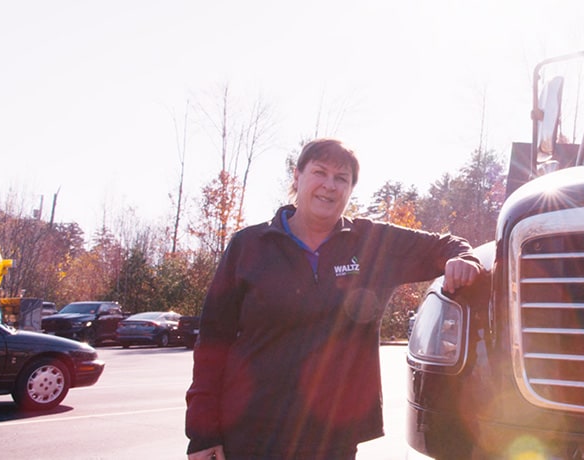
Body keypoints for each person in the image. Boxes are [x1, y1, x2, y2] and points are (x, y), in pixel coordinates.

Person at [185, 138, 483, 459]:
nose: (329, 185)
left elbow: (448, 245)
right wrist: (202, 433)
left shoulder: (370, 243)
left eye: (341, 178)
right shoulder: (249, 246)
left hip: (331, 438)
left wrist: (466, 260)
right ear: (297, 178)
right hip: (250, 432)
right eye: (320, 172)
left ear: (351, 189)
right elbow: (213, 344)